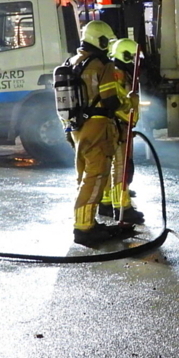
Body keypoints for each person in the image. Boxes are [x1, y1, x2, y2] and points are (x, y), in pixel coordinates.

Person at [68, 20, 133, 247]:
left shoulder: (73, 61)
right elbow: (110, 100)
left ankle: (87, 221)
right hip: (96, 126)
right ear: (101, 40)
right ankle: (84, 227)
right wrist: (128, 103)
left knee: (84, 175)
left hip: (76, 128)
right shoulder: (102, 64)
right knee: (95, 176)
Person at [97, 38, 145, 226]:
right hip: (119, 125)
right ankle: (122, 207)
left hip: (114, 125)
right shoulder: (118, 74)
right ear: (125, 55)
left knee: (111, 166)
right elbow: (118, 101)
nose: (135, 62)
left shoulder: (114, 70)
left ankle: (107, 202)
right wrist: (128, 114)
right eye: (132, 57)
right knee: (121, 167)